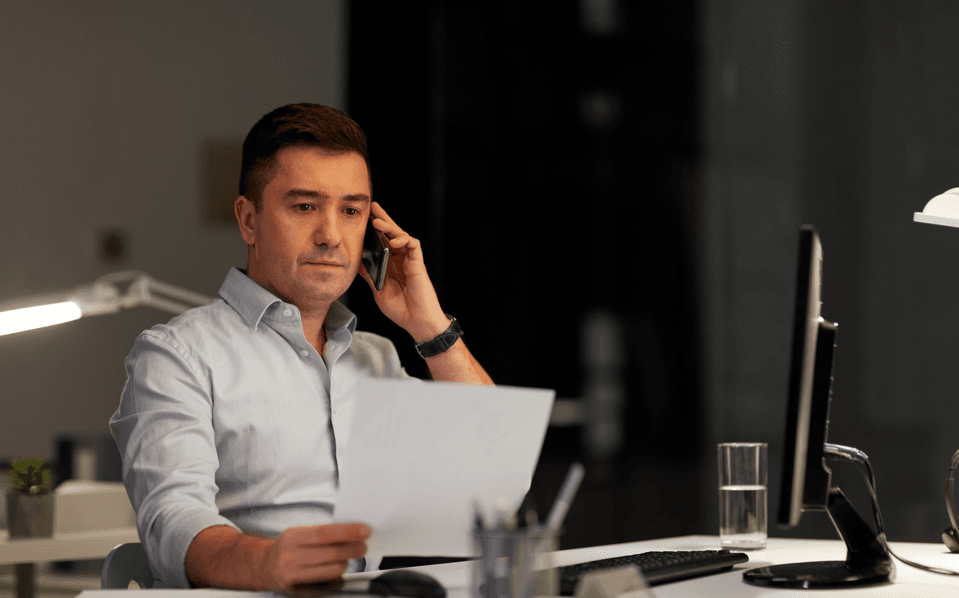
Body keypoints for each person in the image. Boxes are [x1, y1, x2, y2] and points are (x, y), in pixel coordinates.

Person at [110, 103, 493, 591]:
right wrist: (267, 563)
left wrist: (430, 325)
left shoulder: (376, 358)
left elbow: (489, 477)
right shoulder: (176, 356)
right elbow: (173, 521)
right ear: (248, 220)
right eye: (305, 206)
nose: (332, 236)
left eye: (351, 210)